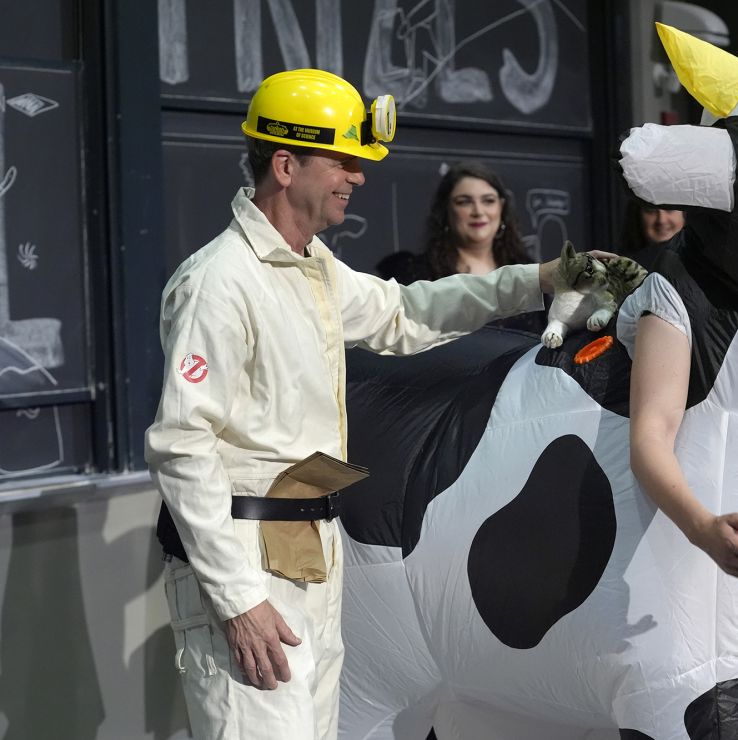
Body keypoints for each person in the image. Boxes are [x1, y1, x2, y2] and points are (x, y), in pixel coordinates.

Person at [144, 69, 578, 740]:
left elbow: (404, 312)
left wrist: (540, 280)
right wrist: (238, 602)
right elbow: (182, 445)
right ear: (285, 166)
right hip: (253, 570)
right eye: (343, 160)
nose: (359, 176)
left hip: (309, 552)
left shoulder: (311, 265)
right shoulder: (219, 283)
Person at [376, 160, 546, 334]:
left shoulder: (528, 271)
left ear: (501, 208)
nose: (478, 211)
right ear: (446, 210)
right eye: (464, 202)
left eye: (488, 201)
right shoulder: (415, 274)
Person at [617, 195, 685, 269]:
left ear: (685, 213)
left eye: (669, 209)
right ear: (637, 215)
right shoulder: (623, 268)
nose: (661, 220)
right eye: (651, 210)